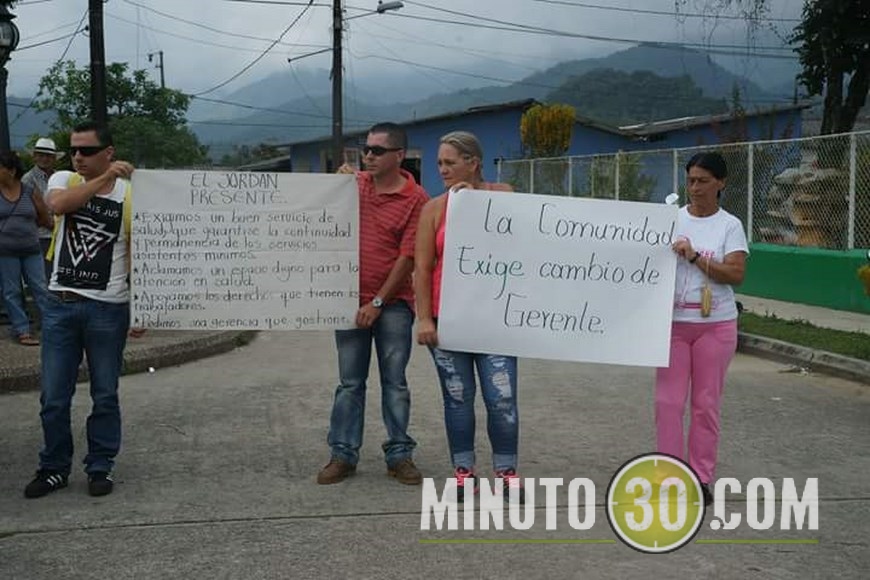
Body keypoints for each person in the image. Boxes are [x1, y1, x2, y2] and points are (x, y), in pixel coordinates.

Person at [24, 121, 136, 499]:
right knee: (53, 396)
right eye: (74, 150)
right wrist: (100, 178)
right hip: (61, 304)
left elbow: (137, 252)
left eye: (87, 151)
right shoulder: (64, 180)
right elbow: (58, 207)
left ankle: (100, 464)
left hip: (109, 308)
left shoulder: (130, 194)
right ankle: (54, 466)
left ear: (109, 151)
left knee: (105, 393)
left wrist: (143, 307)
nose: (78, 157)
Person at [317, 122, 429, 486]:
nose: (368, 155)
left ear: (399, 155)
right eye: (366, 149)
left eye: (377, 150)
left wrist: (378, 301)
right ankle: (342, 453)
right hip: (348, 300)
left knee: (394, 382)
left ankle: (399, 454)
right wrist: (337, 182)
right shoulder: (356, 186)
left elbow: (408, 257)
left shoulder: (417, 200)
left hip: (393, 304)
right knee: (349, 382)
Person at [414, 131, 523, 503]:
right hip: (448, 322)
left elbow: (523, 238)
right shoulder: (433, 208)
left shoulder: (502, 194)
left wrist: (472, 202)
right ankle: (464, 472)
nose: (442, 169)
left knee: (502, 397)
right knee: (457, 398)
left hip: (495, 321)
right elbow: (423, 268)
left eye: (450, 162)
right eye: (439, 163)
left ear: (473, 162)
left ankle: (506, 471)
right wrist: (425, 319)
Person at [657, 151, 748, 506]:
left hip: (715, 324)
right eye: (691, 180)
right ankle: (669, 475)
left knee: (705, 404)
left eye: (703, 181)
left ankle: (700, 476)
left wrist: (695, 256)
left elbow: (736, 274)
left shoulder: (729, 225)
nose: (695, 188)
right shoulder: (670, 219)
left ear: (721, 183)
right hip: (673, 325)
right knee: (667, 402)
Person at [0, 150, 53, 346]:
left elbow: (44, 217)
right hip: (5, 251)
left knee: (40, 287)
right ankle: (22, 330)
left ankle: (50, 325)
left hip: (31, 248)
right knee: (11, 290)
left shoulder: (29, 191)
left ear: (11, 171)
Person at [22, 137, 64, 279]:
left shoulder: (59, 177)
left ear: (54, 158)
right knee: (45, 276)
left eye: (48, 156)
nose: (44, 159)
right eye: (41, 155)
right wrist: (50, 222)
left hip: (59, 234)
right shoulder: (28, 179)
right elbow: (29, 210)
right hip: (41, 236)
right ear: (34, 157)